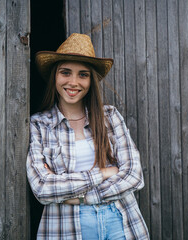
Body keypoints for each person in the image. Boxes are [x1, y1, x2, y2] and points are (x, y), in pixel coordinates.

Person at [27, 33, 149, 240]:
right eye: (66, 72)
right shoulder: (39, 124)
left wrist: (81, 197)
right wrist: (103, 173)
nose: (74, 82)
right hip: (66, 227)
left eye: (83, 75)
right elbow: (42, 187)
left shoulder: (109, 117)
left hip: (121, 221)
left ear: (91, 80)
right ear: (54, 76)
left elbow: (134, 175)